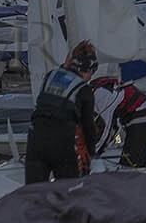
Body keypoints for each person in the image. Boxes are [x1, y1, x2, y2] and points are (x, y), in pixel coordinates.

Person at [25, 41, 102, 184]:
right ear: (87, 71)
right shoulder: (83, 90)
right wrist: (92, 154)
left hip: (36, 136)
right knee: (67, 190)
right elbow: (88, 126)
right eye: (91, 74)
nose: (90, 78)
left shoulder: (50, 76)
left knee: (33, 191)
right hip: (62, 140)